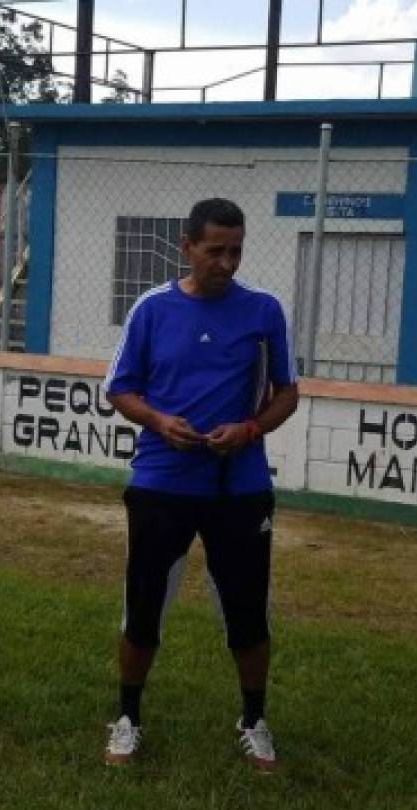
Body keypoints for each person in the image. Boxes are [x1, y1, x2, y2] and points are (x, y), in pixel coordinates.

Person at [103, 197, 298, 773]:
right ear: (186, 248)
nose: (227, 262)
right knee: (144, 605)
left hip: (239, 487)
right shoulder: (152, 309)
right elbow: (120, 389)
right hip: (162, 482)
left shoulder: (264, 312)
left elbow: (286, 392)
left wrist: (251, 428)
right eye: (215, 251)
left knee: (247, 611)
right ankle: (128, 718)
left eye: (236, 250)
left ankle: (254, 720)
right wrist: (161, 421)